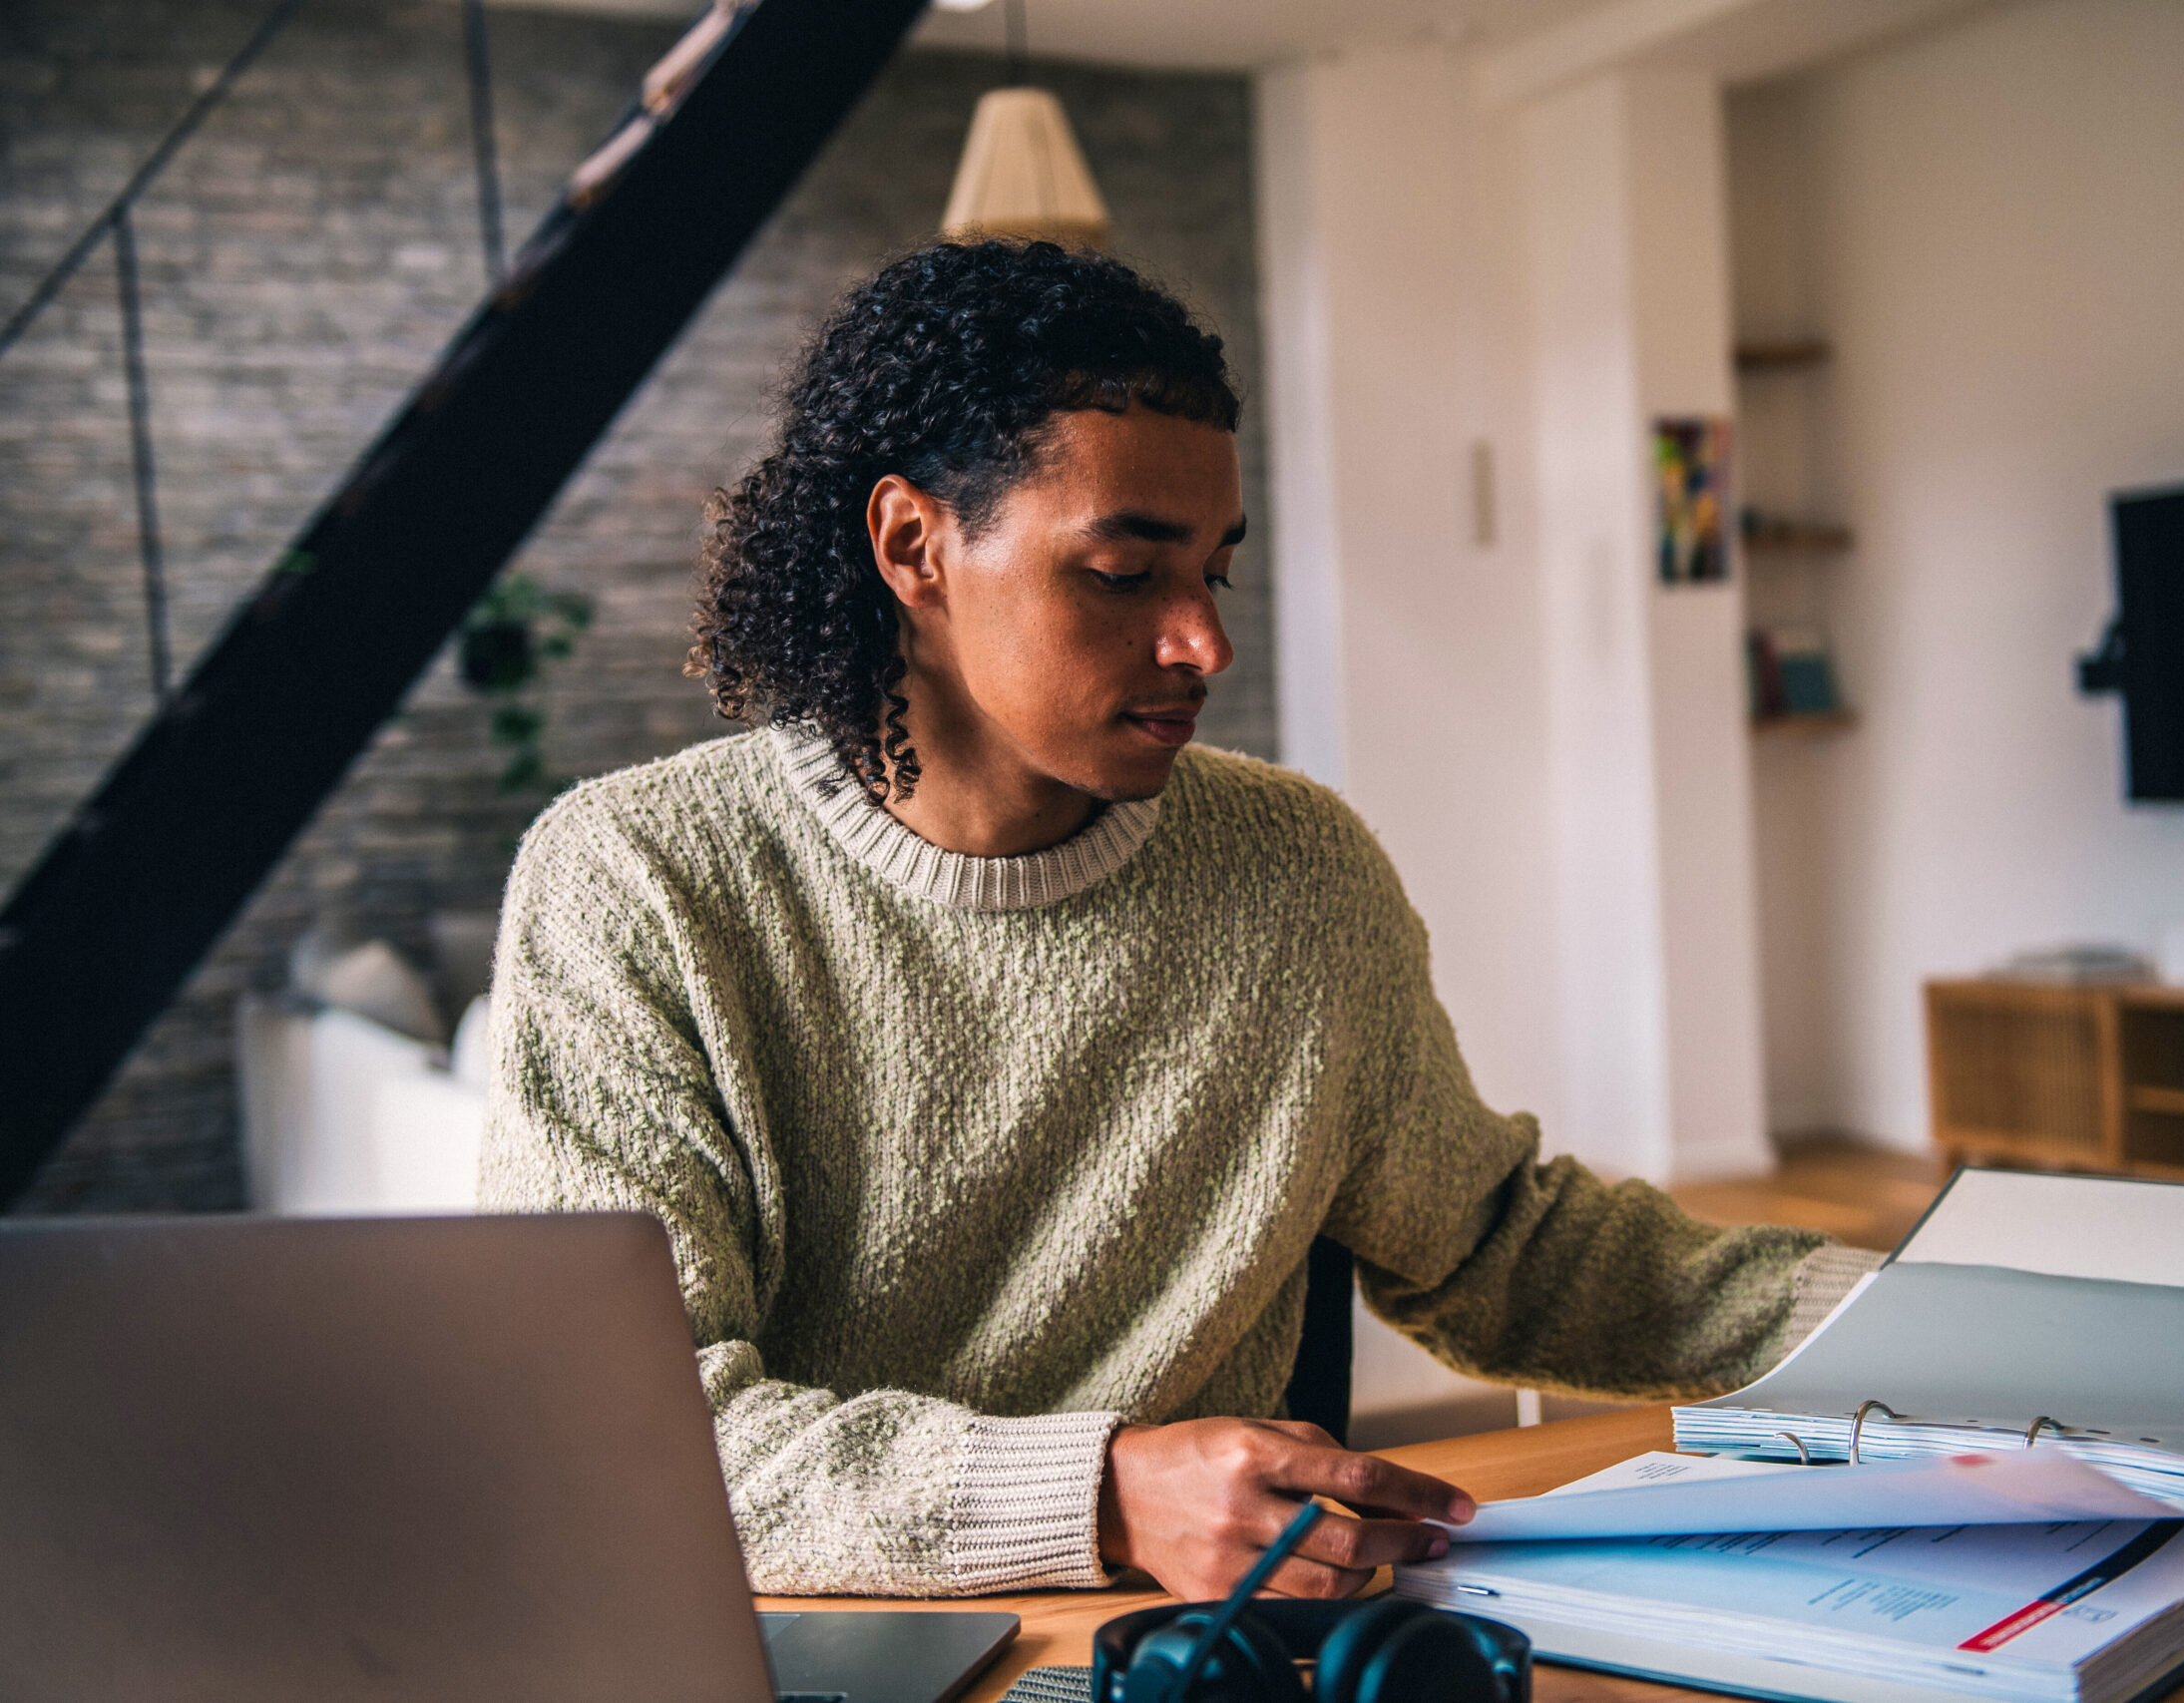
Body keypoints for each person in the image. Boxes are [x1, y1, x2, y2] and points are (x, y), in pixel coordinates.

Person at [479, 240, 1880, 1604]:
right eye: (1123, 571)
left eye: (1215, 569)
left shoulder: (1297, 870)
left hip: (1193, 1656)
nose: (1202, 641)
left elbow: (1501, 1248)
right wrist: (1101, 1492)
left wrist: (1927, 1321)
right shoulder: (639, 881)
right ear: (916, 548)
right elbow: (616, 1438)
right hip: (819, 1650)